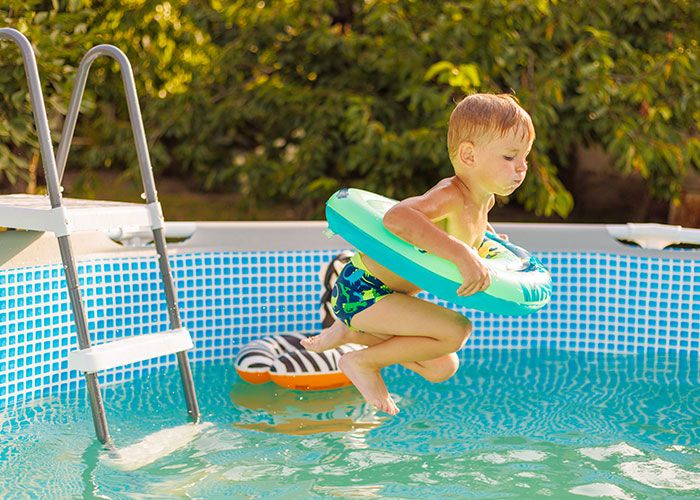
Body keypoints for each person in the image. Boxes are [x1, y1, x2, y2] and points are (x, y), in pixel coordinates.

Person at [302, 93, 535, 415]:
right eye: (510, 157)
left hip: (387, 300)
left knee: (443, 366)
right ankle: (360, 361)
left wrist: (488, 243)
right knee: (457, 329)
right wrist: (462, 254)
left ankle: (351, 333)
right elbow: (397, 218)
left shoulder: (485, 201)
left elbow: (467, 232)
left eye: (525, 157)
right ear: (468, 155)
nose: (521, 167)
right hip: (363, 290)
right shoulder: (450, 195)